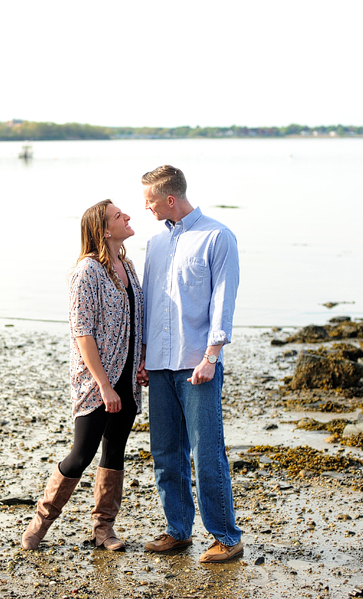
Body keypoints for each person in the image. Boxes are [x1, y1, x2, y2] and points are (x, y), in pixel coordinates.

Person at [21, 199, 145, 552]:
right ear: (104, 230)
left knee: (115, 451)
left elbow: (137, 319)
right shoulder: (86, 272)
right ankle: (40, 523)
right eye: (119, 216)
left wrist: (143, 359)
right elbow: (82, 332)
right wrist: (104, 385)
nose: (127, 216)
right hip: (96, 382)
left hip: (128, 376)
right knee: (82, 452)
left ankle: (103, 529)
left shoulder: (128, 266)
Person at [138, 165, 244, 563]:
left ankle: (226, 536)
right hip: (160, 366)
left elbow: (223, 300)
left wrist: (211, 356)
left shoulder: (217, 236)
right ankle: (178, 531)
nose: (144, 208)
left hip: (198, 364)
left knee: (207, 452)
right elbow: (149, 300)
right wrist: (144, 356)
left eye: (149, 201)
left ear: (169, 199)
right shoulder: (155, 243)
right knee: (165, 452)